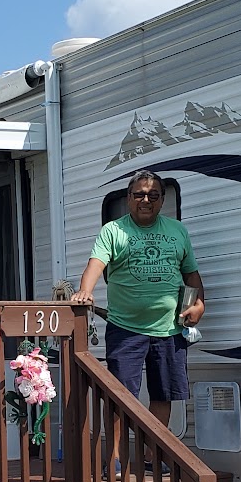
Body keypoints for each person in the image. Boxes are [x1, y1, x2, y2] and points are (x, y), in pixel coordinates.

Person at [71, 170, 205, 429]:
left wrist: (200, 305)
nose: (146, 200)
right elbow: (96, 264)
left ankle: (150, 458)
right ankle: (117, 463)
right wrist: (85, 291)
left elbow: (191, 274)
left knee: (163, 395)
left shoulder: (177, 231)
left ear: (162, 199)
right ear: (129, 198)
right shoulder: (113, 230)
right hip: (125, 328)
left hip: (170, 328)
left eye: (153, 195)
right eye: (140, 195)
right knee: (120, 397)